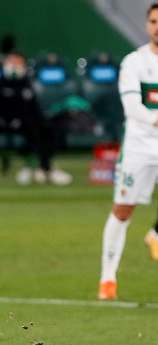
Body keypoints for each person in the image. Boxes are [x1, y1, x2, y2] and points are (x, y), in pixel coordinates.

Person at [99, 3, 158, 300]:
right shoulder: (134, 62)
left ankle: (156, 234)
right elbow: (133, 107)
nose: (157, 26)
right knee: (123, 211)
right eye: (153, 21)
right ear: (147, 25)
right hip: (139, 145)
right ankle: (108, 279)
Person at [0, 52, 72, 186]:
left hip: (28, 122)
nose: (16, 66)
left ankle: (41, 168)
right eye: (13, 62)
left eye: (19, 63)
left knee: (49, 129)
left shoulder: (26, 84)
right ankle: (43, 169)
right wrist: (5, 123)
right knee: (34, 131)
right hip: (6, 125)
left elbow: (34, 108)